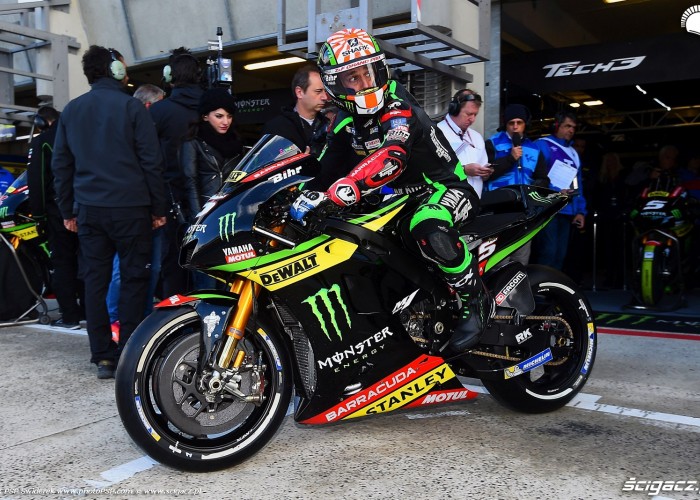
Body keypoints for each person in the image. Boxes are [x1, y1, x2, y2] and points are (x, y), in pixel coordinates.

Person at [294, 28, 491, 353]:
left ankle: (475, 297)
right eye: (352, 78)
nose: (364, 82)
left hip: (445, 188)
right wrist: (290, 193)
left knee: (427, 224)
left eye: (369, 72)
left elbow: (392, 156)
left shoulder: (398, 104)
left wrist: (346, 188)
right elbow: (324, 168)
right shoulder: (344, 120)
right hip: (400, 201)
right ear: (333, 83)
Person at [52, 45, 168, 379]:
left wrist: (67, 210)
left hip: (90, 209)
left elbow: (62, 165)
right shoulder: (132, 107)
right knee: (134, 279)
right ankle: (129, 353)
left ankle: (102, 356)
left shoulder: (72, 110)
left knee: (95, 281)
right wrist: (158, 208)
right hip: (132, 208)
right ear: (115, 70)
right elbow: (151, 161)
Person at [106, 82, 166, 340]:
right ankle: (114, 319)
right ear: (149, 105)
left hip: (146, 208)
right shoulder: (127, 132)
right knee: (123, 269)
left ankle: (139, 318)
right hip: (130, 209)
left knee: (151, 268)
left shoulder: (150, 130)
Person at [149, 49, 203, 298]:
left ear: (170, 76)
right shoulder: (212, 107)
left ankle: (175, 310)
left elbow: (148, 159)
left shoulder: (158, 112)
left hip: (170, 196)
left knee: (172, 260)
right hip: (209, 196)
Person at [26, 105, 84, 328]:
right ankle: (88, 309)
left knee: (62, 263)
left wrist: (38, 216)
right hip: (88, 207)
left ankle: (69, 316)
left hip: (58, 212)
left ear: (41, 122)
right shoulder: (80, 136)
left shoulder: (43, 141)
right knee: (87, 261)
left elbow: (37, 182)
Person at [180, 88, 243, 289]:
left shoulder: (236, 143)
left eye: (229, 116)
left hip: (229, 218)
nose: (225, 121)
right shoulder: (193, 142)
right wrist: (198, 221)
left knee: (228, 280)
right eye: (219, 116)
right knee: (206, 281)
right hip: (204, 217)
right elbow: (190, 182)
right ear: (205, 116)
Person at [484, 103, 549, 265]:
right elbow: (485, 175)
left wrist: (536, 188)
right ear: (505, 124)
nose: (515, 127)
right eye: (511, 123)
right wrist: (510, 159)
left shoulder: (534, 148)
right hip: (498, 209)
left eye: (519, 122)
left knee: (521, 259)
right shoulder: (492, 144)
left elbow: (543, 178)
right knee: (499, 260)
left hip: (524, 210)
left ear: (525, 124)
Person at [531, 111, 587, 271]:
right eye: (567, 126)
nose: (571, 130)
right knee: (548, 251)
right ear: (556, 126)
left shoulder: (574, 153)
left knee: (560, 254)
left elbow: (577, 185)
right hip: (547, 207)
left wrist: (580, 211)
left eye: (573, 127)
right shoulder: (542, 144)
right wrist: (555, 191)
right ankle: (540, 285)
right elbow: (535, 177)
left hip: (567, 209)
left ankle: (552, 286)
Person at [261, 64, 329, 156]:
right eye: (318, 91)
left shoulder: (329, 125)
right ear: (299, 92)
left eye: (325, 91)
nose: (325, 97)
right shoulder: (277, 128)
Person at [436, 89, 492, 197]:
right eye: (469, 114)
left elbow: (483, 168)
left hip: (474, 202)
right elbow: (432, 170)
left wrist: (485, 173)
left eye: (475, 114)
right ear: (454, 109)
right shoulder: (436, 132)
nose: (472, 119)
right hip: (446, 202)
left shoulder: (477, 137)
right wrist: (464, 170)